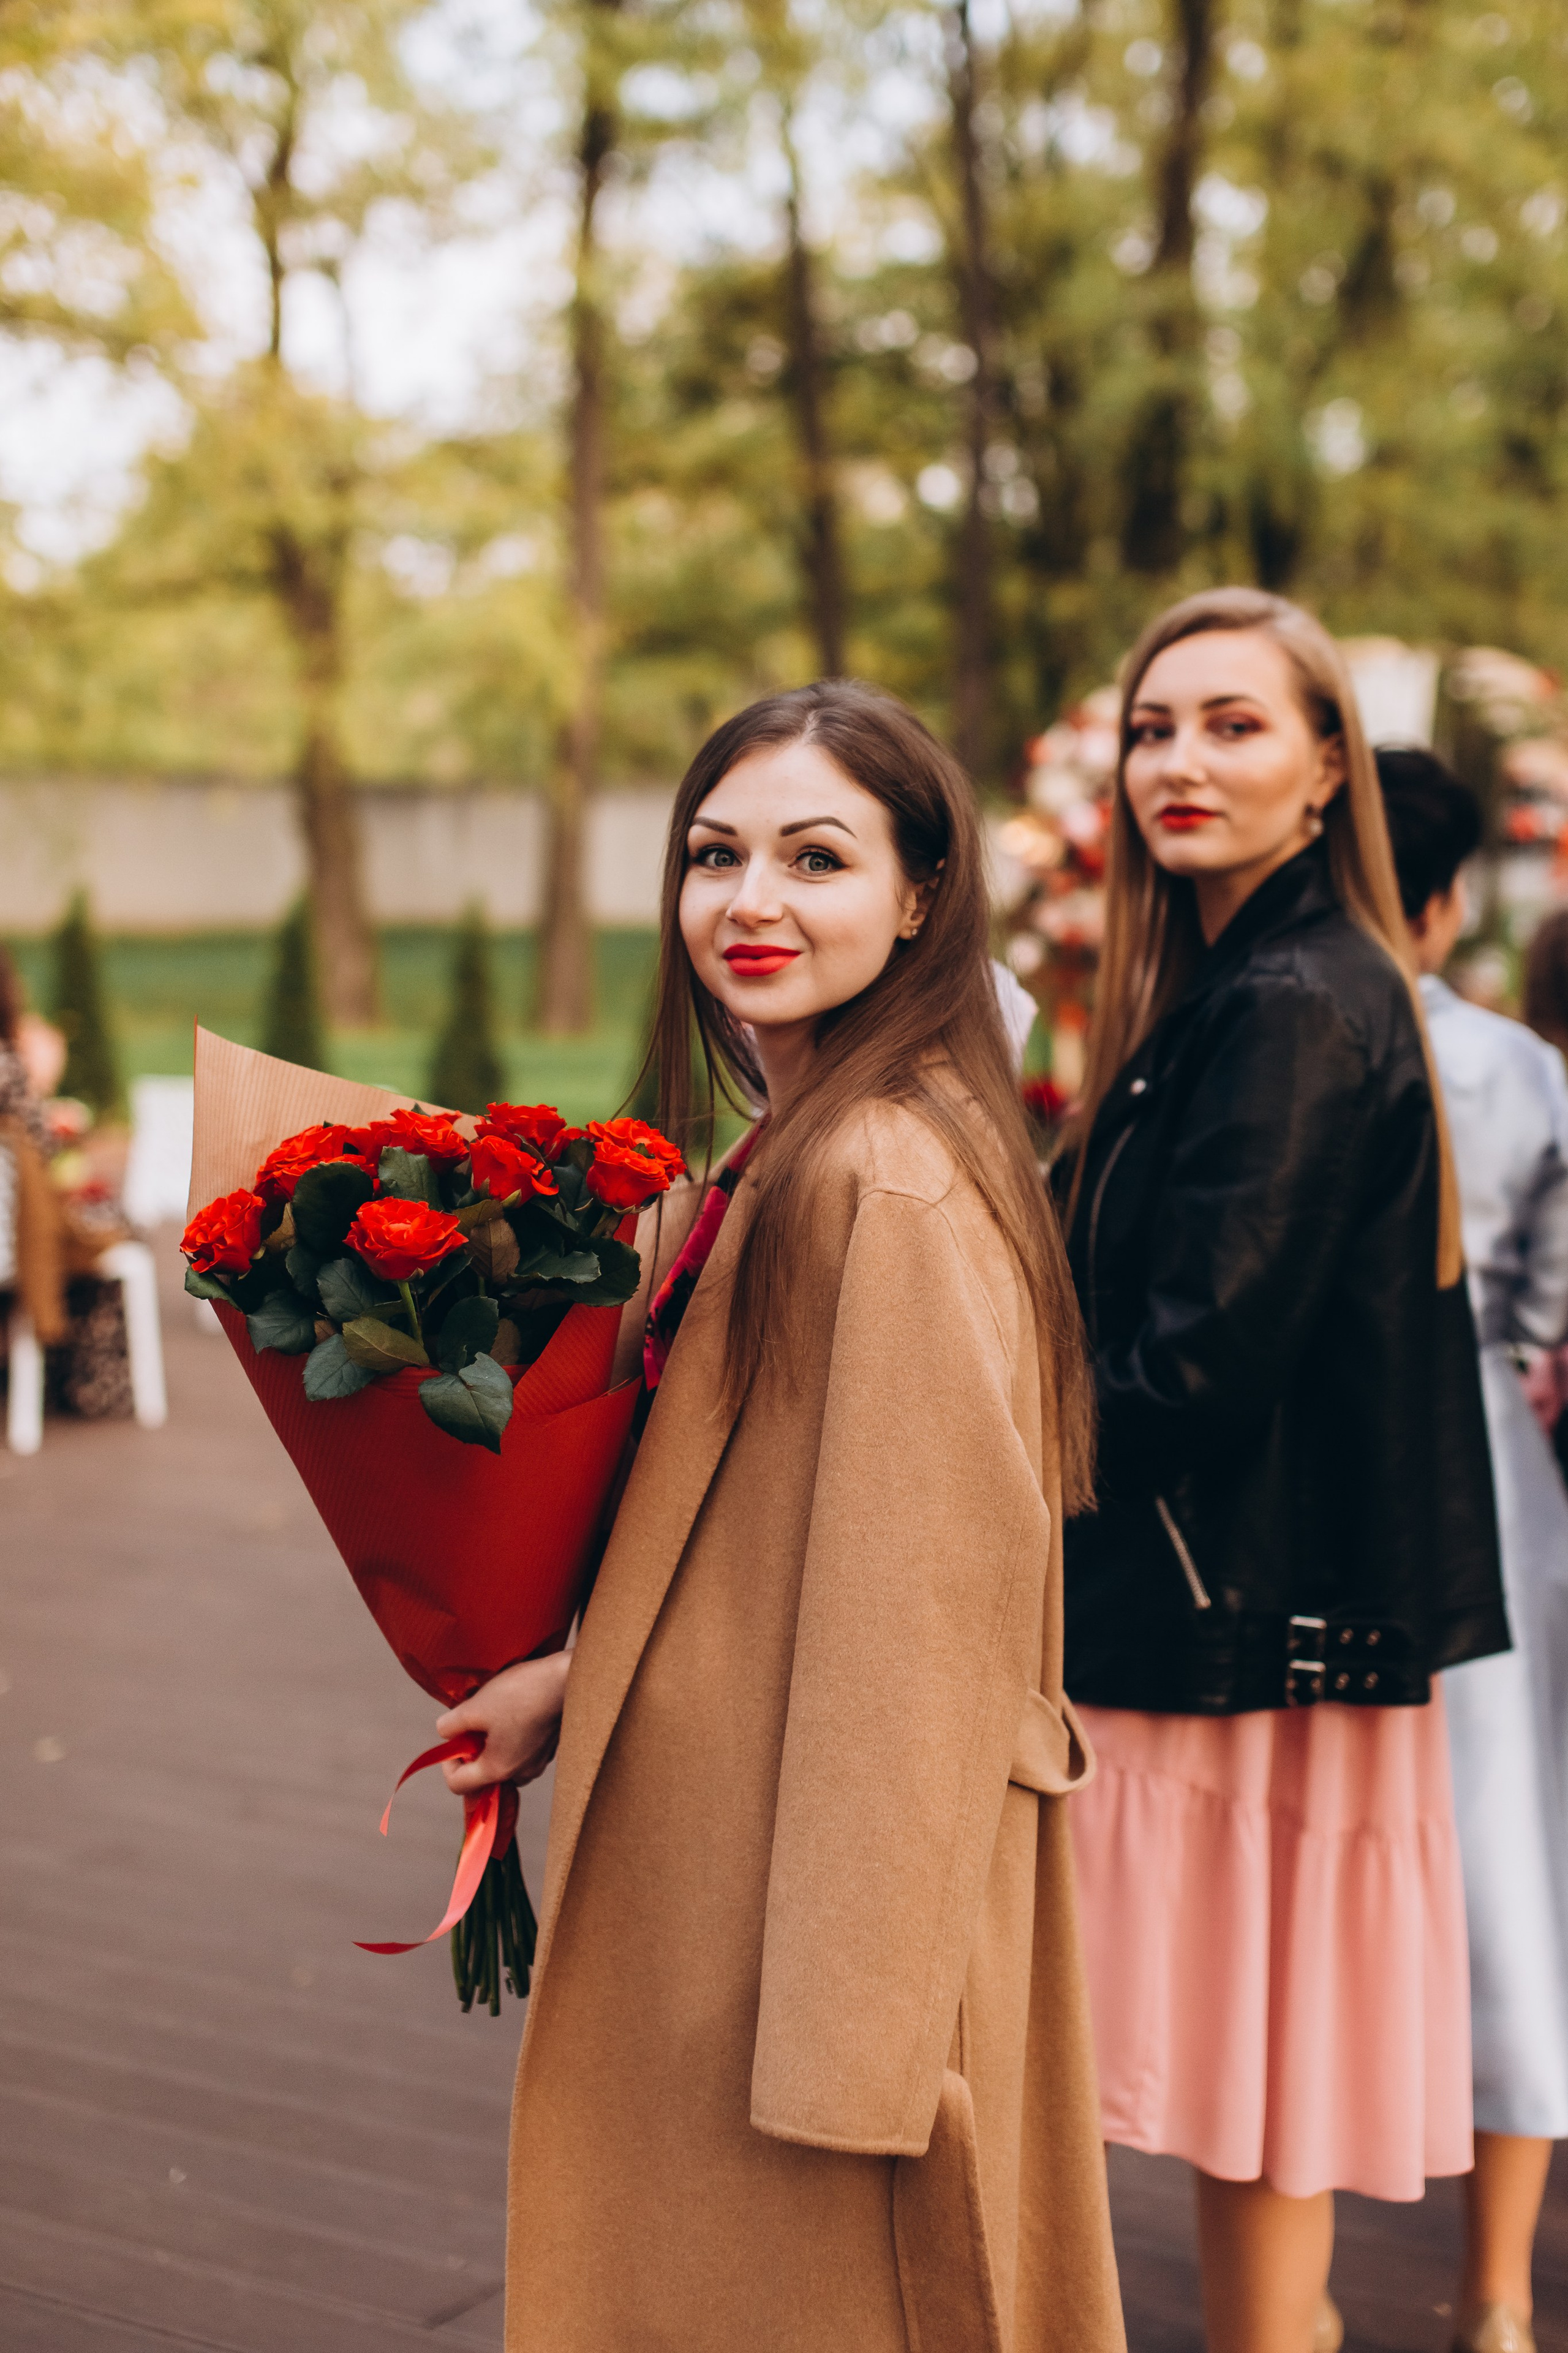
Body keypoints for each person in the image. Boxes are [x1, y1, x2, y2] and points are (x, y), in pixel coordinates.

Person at [435, 682, 1127, 2353]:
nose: (749, 900)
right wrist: (571, 1674)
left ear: (920, 898)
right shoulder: (802, 1145)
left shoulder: (877, 1181)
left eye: (816, 856)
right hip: (726, 1888)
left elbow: (920, 1641)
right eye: (714, 853)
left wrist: (856, 2065)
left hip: (803, 1966)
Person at [1054, 589, 1507, 2353]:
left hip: (1226, 1628)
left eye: (1232, 725)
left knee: (1232, 2107)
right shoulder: (1253, 980)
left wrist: (950, 1447)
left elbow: (1188, 1360)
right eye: (1154, 727)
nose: (1179, 759)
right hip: (1246, 1616)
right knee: (1252, 2125)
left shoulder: (1299, 1000)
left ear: (1329, 771)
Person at [1381, 747, 1568, 2353]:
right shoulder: (1519, 1067)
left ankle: (1286, 2286)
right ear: (1444, 900)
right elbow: (1556, 1308)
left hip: (1296, 1491)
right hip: (1499, 1485)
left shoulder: (1232, 1039)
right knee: (1518, 1875)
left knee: (1301, 1873)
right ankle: (1499, 2294)